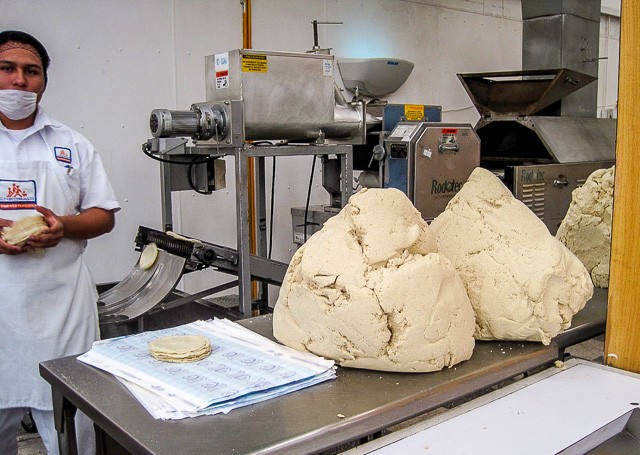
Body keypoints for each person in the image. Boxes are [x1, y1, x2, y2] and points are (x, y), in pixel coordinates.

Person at [0, 30, 120, 454]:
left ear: (44, 81)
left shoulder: (71, 144)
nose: (19, 81)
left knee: (72, 426)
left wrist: (64, 227)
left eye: (30, 71)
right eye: (7, 69)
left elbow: (103, 215)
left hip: (60, 309)